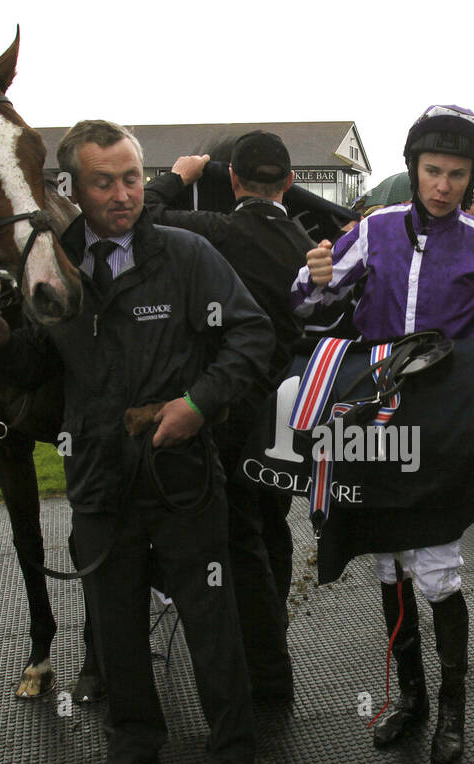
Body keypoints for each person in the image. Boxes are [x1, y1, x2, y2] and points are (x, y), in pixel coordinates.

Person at [0, 119, 272, 764]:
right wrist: (1, 346)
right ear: (72, 186)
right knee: (114, 626)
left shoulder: (188, 256)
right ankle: (132, 749)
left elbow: (252, 335)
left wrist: (199, 402)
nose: (124, 193)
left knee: (211, 622)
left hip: (182, 476)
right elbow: (45, 367)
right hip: (99, 479)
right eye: (105, 181)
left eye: (132, 177)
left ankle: (232, 755)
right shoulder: (57, 264)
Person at [293, 104, 474, 764]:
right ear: (413, 169)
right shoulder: (373, 231)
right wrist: (314, 279)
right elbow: (310, 306)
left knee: (438, 572)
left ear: (471, 178)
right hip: (375, 420)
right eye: (433, 171)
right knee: (388, 559)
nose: (444, 185)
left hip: (443, 428)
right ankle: (411, 699)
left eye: (456, 174)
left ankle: (453, 713)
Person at [141, 130, 315, 701]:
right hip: (287, 408)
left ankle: (263, 662)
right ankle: (275, 634)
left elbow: (142, 212)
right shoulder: (306, 242)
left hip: (231, 407)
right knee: (274, 525)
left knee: (238, 537)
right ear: (289, 182)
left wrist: (184, 174)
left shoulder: (220, 231)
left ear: (234, 181)